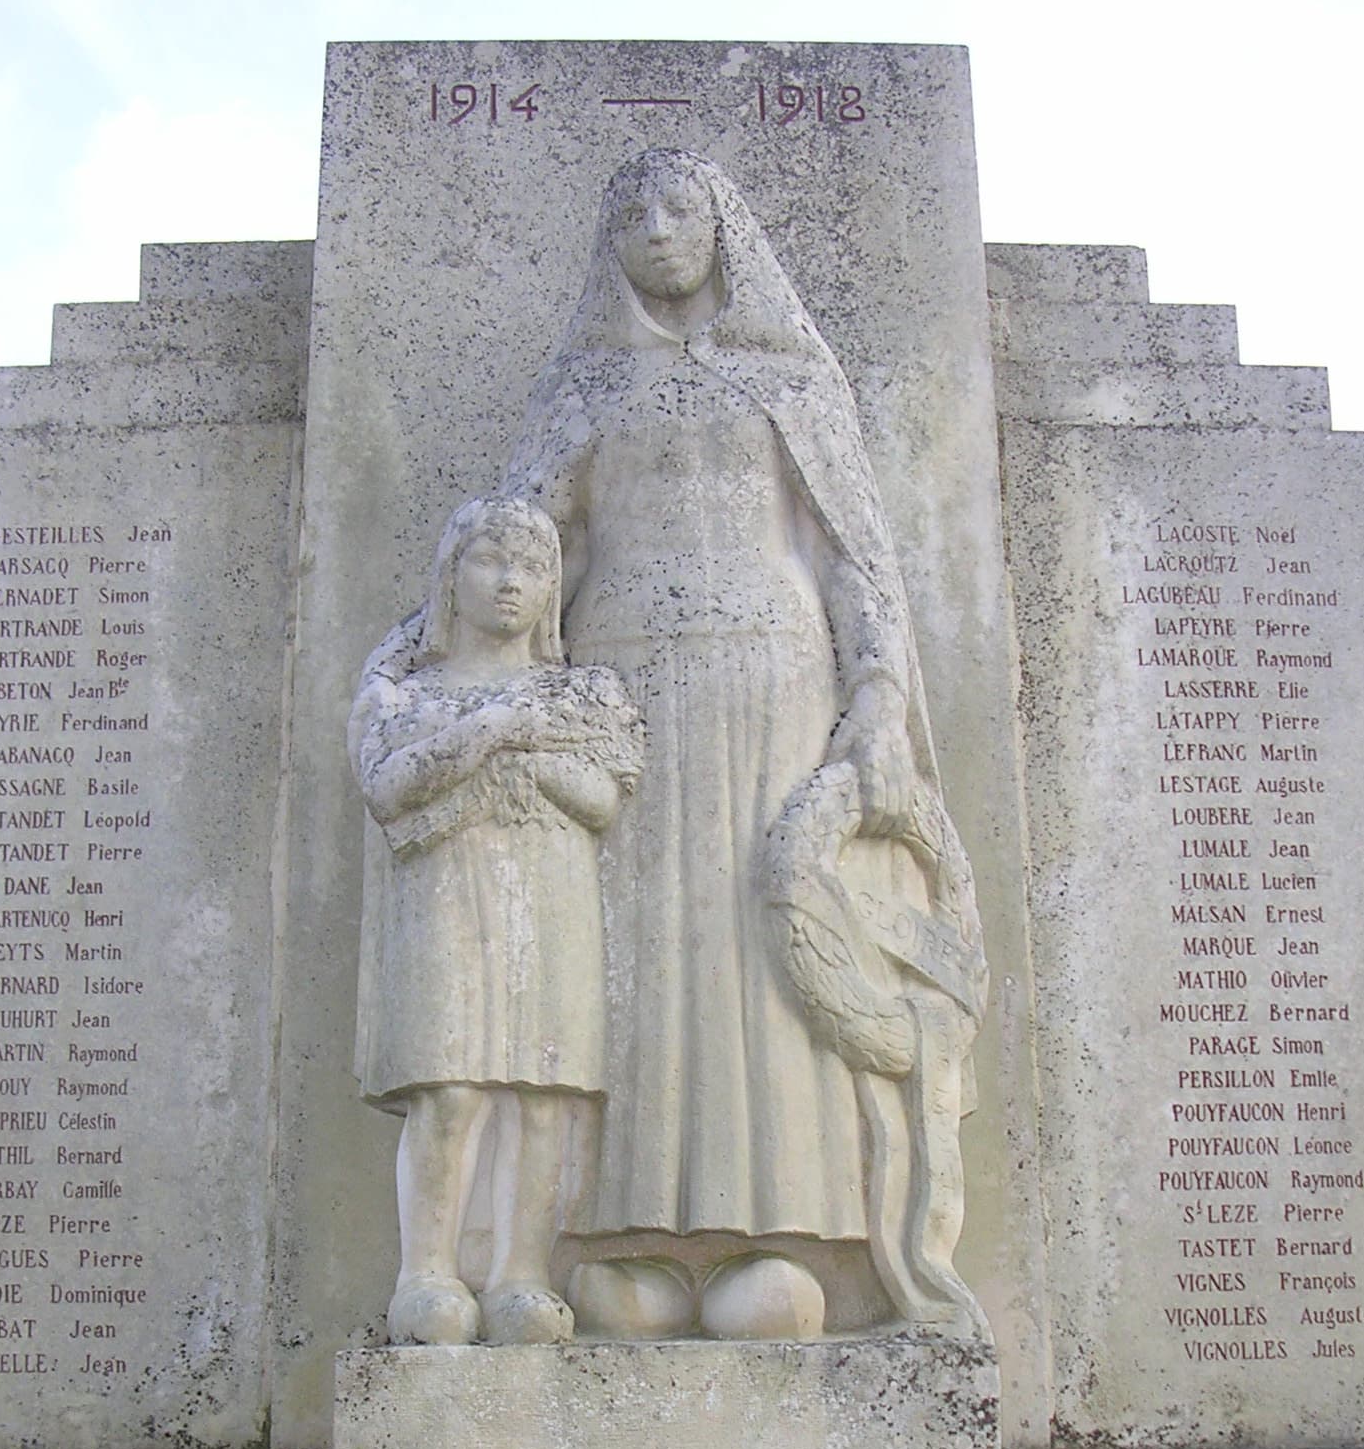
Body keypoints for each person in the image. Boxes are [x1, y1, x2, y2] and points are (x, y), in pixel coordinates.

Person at [506, 148, 986, 1340]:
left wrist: (877, 691)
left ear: (725, 230)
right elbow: (523, 542)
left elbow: (849, 555)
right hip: (623, 697)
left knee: (765, 949)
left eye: (682, 209)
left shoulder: (790, 380)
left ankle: (783, 1235)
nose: (658, 230)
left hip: (778, 683)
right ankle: (633, 1236)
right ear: (610, 245)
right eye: (634, 214)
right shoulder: (583, 394)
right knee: (639, 955)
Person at [350, 496, 644, 1345]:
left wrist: (522, 744)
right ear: (452, 576)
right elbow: (390, 786)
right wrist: (498, 728)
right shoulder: (407, 694)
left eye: (533, 566)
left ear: (554, 587)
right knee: (450, 1087)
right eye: (489, 560)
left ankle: (520, 1272)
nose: (511, 581)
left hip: (550, 893)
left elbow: (600, 797)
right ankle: (427, 1273)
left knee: (544, 1090)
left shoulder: (584, 693)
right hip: (447, 891)